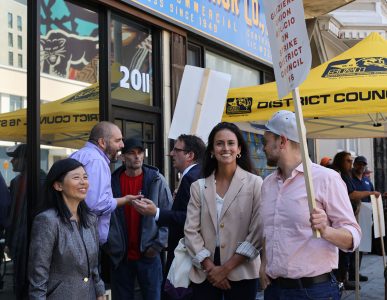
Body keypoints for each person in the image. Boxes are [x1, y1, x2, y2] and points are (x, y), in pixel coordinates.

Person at [259, 110, 361, 299]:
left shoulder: (326, 178)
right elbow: (269, 231)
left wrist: (326, 230)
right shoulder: (268, 184)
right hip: (274, 290)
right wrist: (264, 264)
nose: (262, 148)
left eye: (265, 142)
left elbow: (353, 236)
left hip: (313, 292)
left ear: (282, 141)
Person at [184, 122, 263, 300]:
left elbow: (257, 231)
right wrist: (211, 268)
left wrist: (226, 269)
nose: (225, 148)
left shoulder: (255, 183)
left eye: (230, 143)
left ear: (239, 148)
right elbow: (190, 230)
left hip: (242, 269)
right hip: (205, 270)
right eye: (219, 143)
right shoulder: (198, 186)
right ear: (211, 150)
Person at [28, 158, 105, 299]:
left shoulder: (90, 218)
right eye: (76, 177)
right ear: (58, 185)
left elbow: (93, 265)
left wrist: (100, 290)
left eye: (85, 177)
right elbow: (38, 274)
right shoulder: (47, 220)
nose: (83, 182)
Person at [132, 134, 206, 279]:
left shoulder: (191, 178)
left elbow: (189, 218)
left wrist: (156, 212)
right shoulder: (198, 174)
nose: (170, 153)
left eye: (176, 150)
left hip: (188, 255)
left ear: (190, 155)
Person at [109, 138, 172, 300]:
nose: (137, 157)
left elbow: (168, 215)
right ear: (123, 158)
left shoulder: (157, 180)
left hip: (149, 254)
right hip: (121, 255)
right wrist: (110, 246)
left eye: (140, 152)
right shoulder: (112, 182)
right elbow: (104, 215)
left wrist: (157, 246)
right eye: (131, 153)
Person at [70, 121, 141, 245]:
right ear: (102, 142)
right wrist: (125, 200)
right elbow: (96, 205)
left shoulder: (79, 154)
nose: (122, 145)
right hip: (86, 239)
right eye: (118, 140)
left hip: (77, 236)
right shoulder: (97, 161)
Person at [5, 144, 46, 300]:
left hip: (32, 244)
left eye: (16, 158)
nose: (13, 162)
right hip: (18, 244)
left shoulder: (42, 180)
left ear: (25, 159)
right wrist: (10, 240)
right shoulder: (17, 182)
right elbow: (13, 215)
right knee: (20, 286)